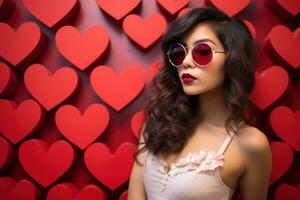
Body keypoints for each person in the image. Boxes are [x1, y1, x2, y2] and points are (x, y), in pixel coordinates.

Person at [128, 6, 272, 200]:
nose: (186, 62)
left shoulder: (251, 144)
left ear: (232, 59)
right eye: (179, 53)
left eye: (202, 51)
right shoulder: (155, 127)